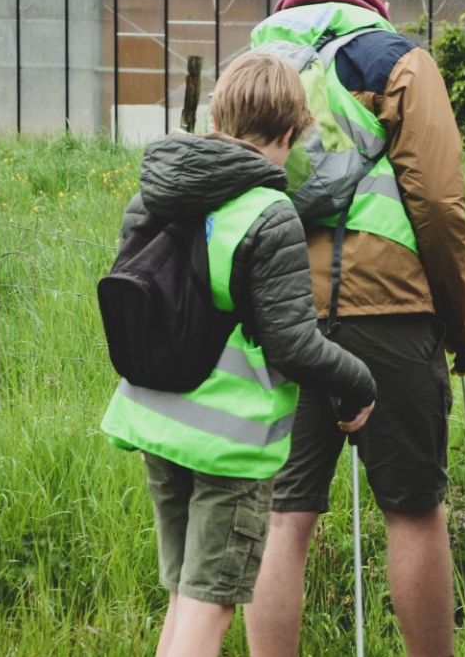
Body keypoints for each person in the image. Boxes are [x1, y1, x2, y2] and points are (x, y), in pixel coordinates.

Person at [101, 53, 377, 657]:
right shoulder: (267, 212)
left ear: (220, 114)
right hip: (228, 442)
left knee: (184, 592)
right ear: (286, 133)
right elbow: (293, 343)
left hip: (157, 418)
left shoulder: (155, 192)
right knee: (212, 603)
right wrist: (359, 383)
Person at [239, 0, 465, 655]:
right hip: (388, 312)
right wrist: (460, 321)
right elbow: (437, 203)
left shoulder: (255, 63)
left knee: (284, 517)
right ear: (375, 1)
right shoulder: (397, 57)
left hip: (278, 313)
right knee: (413, 512)